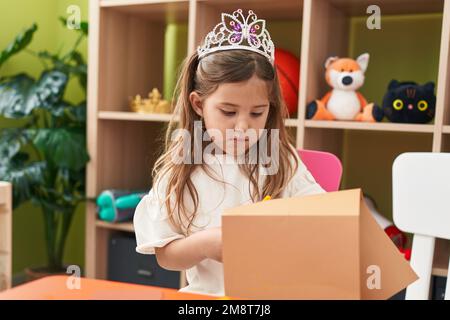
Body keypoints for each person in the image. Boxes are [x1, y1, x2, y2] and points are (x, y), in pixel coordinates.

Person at [134, 8, 325, 296]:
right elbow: (165, 256)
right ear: (198, 105)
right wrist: (207, 244)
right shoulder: (184, 164)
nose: (243, 126)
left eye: (257, 112)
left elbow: (321, 217)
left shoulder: (281, 159)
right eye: (228, 111)